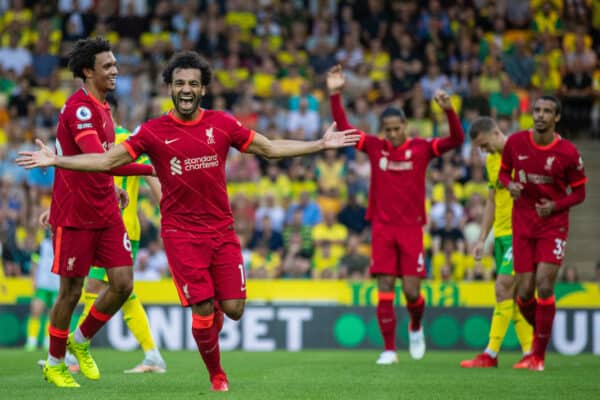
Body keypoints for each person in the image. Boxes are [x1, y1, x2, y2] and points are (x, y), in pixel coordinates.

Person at [17, 50, 360, 392]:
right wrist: (59, 160)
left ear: (202, 90)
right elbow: (106, 161)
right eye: (179, 83)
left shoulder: (223, 124)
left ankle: (88, 340)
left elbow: (269, 148)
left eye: (192, 84)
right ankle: (217, 375)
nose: (185, 89)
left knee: (234, 308)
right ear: (169, 87)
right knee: (200, 304)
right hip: (180, 232)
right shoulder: (152, 132)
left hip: (222, 230)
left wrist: (319, 143)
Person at [24, 37, 155, 388]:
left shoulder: (104, 109)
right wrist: (150, 169)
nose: (115, 71)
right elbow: (100, 160)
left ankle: (79, 340)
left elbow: (102, 164)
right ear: (88, 71)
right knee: (70, 290)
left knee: (123, 283)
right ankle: (54, 362)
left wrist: (113, 186)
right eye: (108, 66)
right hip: (75, 215)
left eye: (115, 64)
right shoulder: (80, 109)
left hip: (106, 211)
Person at [326, 65, 465, 365]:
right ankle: (389, 349)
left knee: (412, 292)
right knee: (385, 287)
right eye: (386, 130)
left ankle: (415, 325)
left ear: (405, 127)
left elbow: (456, 140)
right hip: (383, 228)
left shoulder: (422, 148)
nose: (391, 135)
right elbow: (345, 129)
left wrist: (449, 112)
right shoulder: (376, 147)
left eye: (395, 129)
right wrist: (335, 94)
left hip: (412, 228)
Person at [65, 94, 166, 374]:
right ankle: (152, 354)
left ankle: (73, 354)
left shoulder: (115, 144)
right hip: (119, 227)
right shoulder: (121, 143)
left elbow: (150, 175)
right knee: (118, 290)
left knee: (98, 289)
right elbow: (151, 175)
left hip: (113, 227)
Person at [498, 96, 587, 371]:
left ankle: (538, 356)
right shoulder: (515, 143)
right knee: (524, 294)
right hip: (523, 224)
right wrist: (509, 184)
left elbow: (580, 193)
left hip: (553, 225)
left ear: (556, 118)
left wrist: (556, 206)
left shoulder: (568, 153)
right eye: (537, 110)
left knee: (544, 285)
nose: (540, 115)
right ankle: (542, 335)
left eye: (547, 111)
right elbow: (503, 174)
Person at [459, 117, 533, 369]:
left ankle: (490, 354)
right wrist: (482, 238)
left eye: (484, 144)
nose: (484, 151)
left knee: (502, 288)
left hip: (521, 231)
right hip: (501, 234)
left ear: (496, 132)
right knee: (511, 297)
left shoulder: (523, 151)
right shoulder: (492, 161)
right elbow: (492, 200)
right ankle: (530, 353)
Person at [25, 230, 59, 351]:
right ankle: (31, 341)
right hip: (42, 284)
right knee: (35, 311)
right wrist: (33, 280)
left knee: (53, 316)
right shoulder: (42, 245)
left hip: (56, 285)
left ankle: (47, 341)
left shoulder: (62, 244)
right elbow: (34, 264)